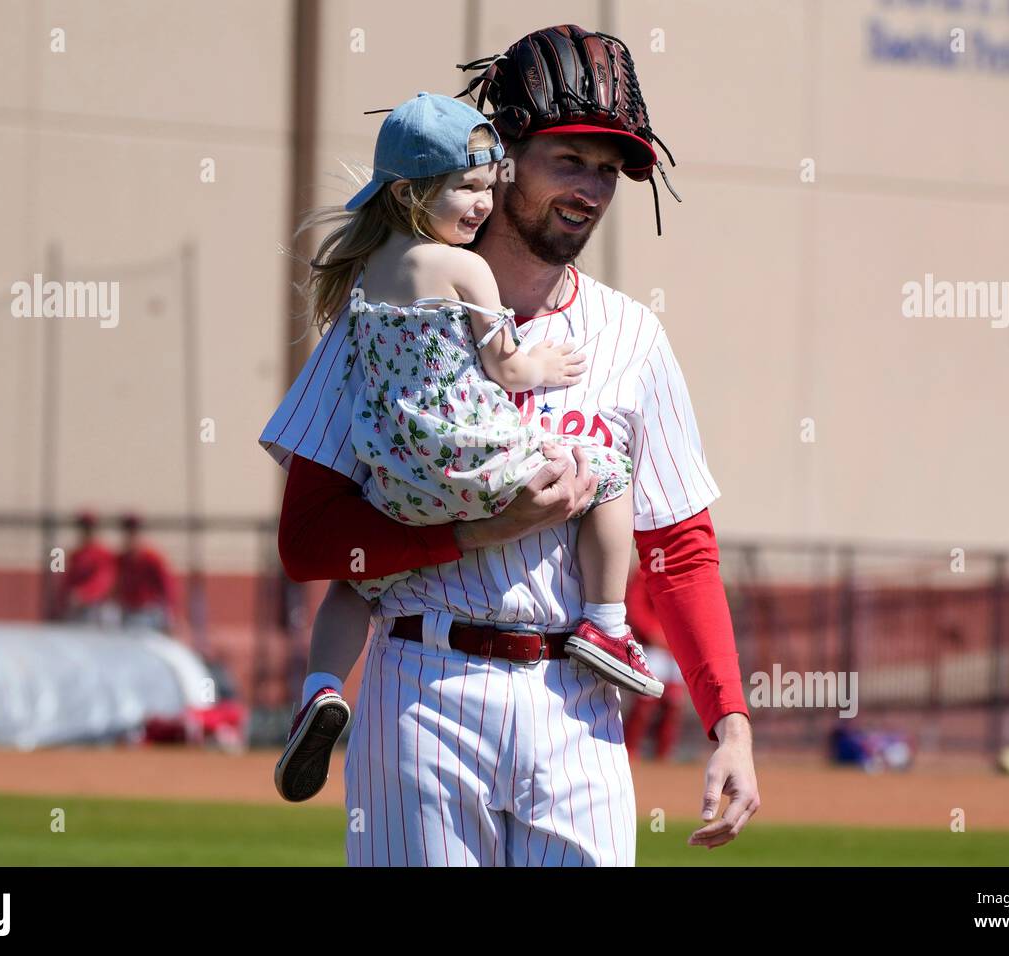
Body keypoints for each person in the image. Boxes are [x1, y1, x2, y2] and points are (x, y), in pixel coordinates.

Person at [260, 24, 758, 865]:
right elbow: (307, 540)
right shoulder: (386, 316)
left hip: (581, 705)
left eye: (609, 171)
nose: (592, 189)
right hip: (423, 689)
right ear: (503, 159)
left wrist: (731, 724)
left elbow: (680, 548)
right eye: (570, 160)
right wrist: (467, 536)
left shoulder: (631, 337)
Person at [271, 90, 666, 804]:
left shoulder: (366, 272)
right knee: (606, 471)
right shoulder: (464, 268)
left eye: (488, 185)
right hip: (470, 460)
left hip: (393, 478)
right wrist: (544, 369)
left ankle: (323, 688)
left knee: (358, 582)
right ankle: (608, 628)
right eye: (466, 187)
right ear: (411, 192)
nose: (481, 204)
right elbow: (506, 365)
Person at [623, 563, 688, 761]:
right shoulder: (647, 570)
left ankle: (664, 754)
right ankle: (630, 750)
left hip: (677, 646)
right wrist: (654, 633)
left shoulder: (687, 570)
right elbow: (636, 606)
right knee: (646, 698)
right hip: (653, 646)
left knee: (674, 700)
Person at [115, 513, 179, 633]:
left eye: (134, 532)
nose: (131, 536)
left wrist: (169, 614)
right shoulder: (122, 559)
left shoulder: (152, 557)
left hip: (149, 613)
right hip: (128, 612)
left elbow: (167, 586)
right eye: (128, 532)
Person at [55, 509, 118, 625]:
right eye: (83, 527)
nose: (85, 531)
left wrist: (85, 594)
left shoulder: (102, 553)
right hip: (76, 609)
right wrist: (61, 602)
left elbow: (104, 580)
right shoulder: (76, 554)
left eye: (88, 527)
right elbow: (68, 581)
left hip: (95, 608)